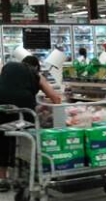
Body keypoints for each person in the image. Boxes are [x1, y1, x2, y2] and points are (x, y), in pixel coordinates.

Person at [0, 56, 62, 191]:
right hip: (24, 106)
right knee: (28, 137)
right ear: (36, 67)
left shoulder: (8, 66)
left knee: (3, 138)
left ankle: (3, 179)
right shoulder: (35, 74)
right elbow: (56, 98)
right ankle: (27, 174)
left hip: (2, 105)